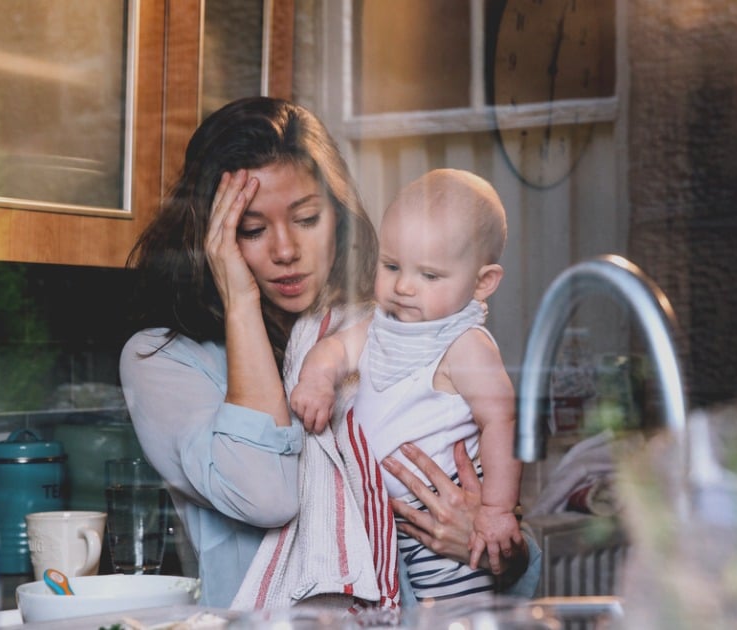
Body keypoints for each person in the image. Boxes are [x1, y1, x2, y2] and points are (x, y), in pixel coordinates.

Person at [118, 97, 539, 614]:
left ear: (337, 219)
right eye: (251, 230)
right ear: (212, 236)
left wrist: (495, 548)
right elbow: (267, 494)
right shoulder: (164, 361)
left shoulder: (390, 329)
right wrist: (241, 300)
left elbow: (512, 549)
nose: (286, 249)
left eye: (307, 218)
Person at [289, 168, 522, 603]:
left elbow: (502, 421)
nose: (402, 286)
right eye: (392, 266)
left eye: (430, 276)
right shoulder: (382, 326)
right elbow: (336, 350)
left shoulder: (464, 344)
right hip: (387, 520)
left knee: (453, 614)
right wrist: (317, 380)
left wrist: (495, 510)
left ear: (482, 282)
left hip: (443, 515)